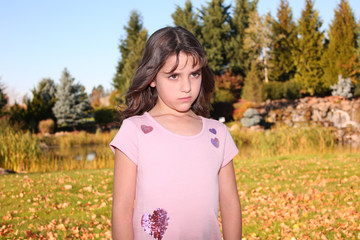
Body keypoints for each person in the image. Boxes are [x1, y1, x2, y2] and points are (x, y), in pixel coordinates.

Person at [110, 26, 242, 240]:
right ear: (152, 78)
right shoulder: (134, 132)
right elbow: (122, 211)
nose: (187, 87)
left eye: (194, 74)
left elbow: (229, 204)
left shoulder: (218, 134)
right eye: (173, 76)